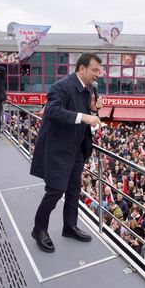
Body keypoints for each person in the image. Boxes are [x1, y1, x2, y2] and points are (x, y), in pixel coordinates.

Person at [30, 53, 103, 253]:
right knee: (55, 191)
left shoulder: (88, 89)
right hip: (58, 149)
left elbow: (84, 114)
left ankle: (69, 226)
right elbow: (52, 111)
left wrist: (93, 112)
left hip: (76, 148)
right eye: (95, 70)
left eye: (99, 70)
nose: (99, 74)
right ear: (81, 68)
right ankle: (39, 229)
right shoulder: (61, 86)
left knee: (73, 190)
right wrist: (85, 117)